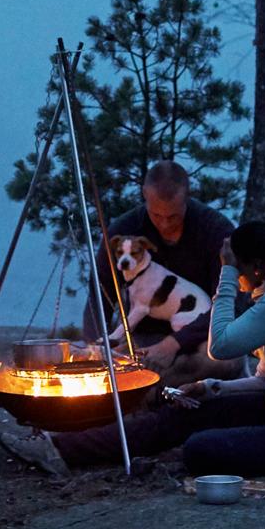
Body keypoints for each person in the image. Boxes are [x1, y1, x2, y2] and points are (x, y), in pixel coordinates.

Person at [0, 220, 265, 481]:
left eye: (238, 268)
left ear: (256, 266)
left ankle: (70, 449)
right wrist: (213, 389)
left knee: (200, 450)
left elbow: (221, 347)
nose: (239, 279)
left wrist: (226, 276)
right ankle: (57, 448)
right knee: (187, 413)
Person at [99, 160, 239, 379]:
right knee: (105, 359)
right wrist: (95, 344)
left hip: (200, 334)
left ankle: (165, 390)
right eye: (156, 215)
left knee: (225, 360)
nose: (164, 224)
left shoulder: (215, 231)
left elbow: (229, 303)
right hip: (140, 334)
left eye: (173, 216)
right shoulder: (125, 230)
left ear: (187, 197)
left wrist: (175, 343)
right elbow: (99, 291)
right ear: (145, 194)